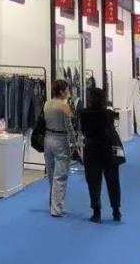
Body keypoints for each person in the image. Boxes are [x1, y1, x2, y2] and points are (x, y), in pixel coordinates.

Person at [78, 87, 122, 223]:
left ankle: (96, 212)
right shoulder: (108, 113)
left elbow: (84, 130)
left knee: (93, 182)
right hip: (108, 149)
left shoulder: (84, 113)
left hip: (91, 149)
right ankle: (116, 210)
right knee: (113, 181)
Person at [42, 79, 74, 218]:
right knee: (60, 175)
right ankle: (57, 208)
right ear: (61, 92)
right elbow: (69, 126)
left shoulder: (47, 103)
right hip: (61, 139)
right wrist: (75, 143)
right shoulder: (64, 106)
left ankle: (52, 203)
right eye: (67, 89)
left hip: (48, 139)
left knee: (51, 173)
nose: (68, 92)